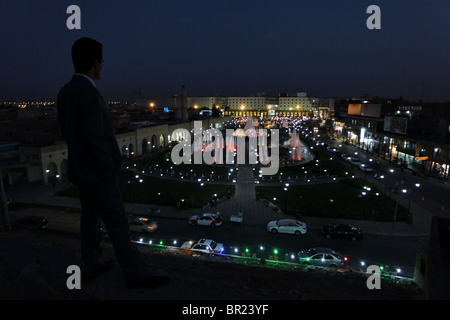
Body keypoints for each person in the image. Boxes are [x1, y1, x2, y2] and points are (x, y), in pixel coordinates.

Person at [57, 37, 169, 289]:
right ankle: (136, 275)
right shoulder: (91, 94)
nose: (103, 66)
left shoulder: (64, 92)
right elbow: (97, 138)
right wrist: (109, 168)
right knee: (118, 224)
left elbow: (68, 133)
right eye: (102, 61)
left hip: (81, 172)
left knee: (89, 220)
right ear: (95, 63)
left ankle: (93, 264)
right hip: (99, 174)